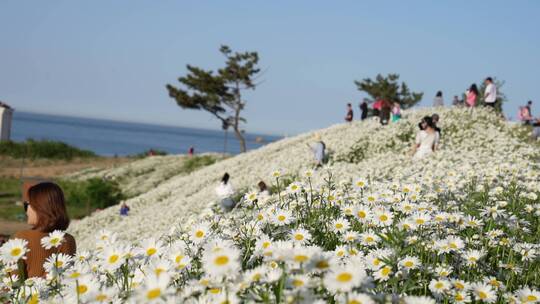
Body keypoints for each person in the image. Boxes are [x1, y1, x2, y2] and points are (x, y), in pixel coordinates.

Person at [13, 182, 76, 278]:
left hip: (29, 292)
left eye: (27, 204)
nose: (26, 210)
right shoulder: (69, 240)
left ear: (40, 207)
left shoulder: (22, 237)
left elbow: (11, 284)